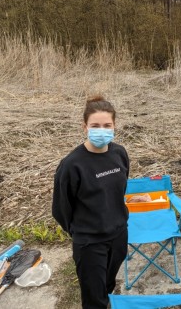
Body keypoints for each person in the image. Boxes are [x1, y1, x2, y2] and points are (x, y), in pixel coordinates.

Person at [52, 95, 130, 309]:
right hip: (90, 242)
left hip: (118, 235)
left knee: (107, 284)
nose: (101, 130)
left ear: (114, 126)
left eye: (107, 125)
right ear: (85, 127)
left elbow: (119, 190)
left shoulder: (119, 154)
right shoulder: (72, 165)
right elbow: (61, 208)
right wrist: (82, 233)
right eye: (95, 125)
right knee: (93, 298)